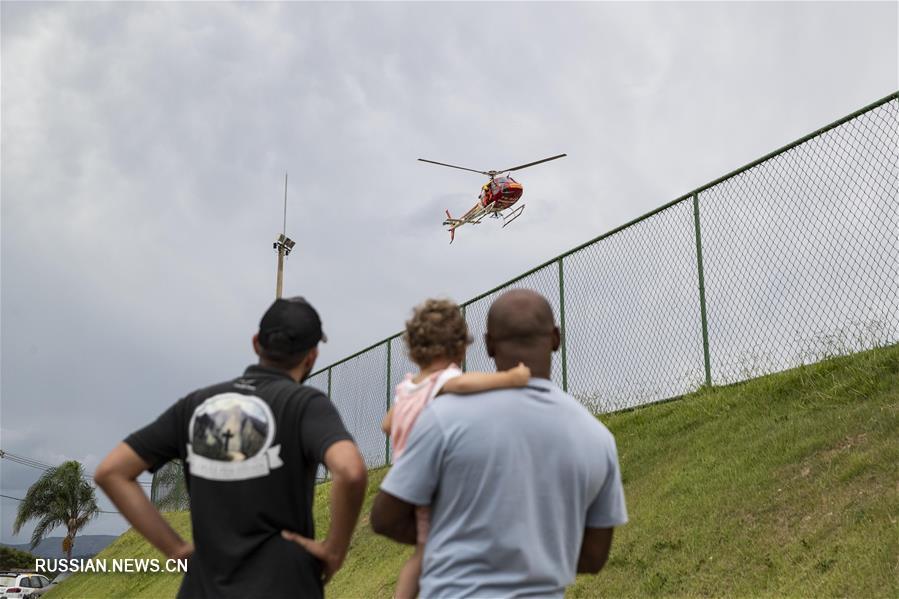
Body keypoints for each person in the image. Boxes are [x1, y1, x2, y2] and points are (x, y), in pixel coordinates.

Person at [95, 296, 367, 598]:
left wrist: (178, 550)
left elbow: (112, 472)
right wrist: (333, 551)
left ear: (256, 344)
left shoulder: (197, 405)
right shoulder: (305, 405)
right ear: (312, 356)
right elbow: (350, 471)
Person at [371, 289, 628, 598]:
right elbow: (593, 557)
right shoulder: (598, 438)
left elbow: (385, 518)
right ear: (556, 339)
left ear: (489, 345)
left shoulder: (443, 416)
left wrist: (458, 542)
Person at [380, 298, 530, 599]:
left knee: (421, 553)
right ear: (458, 347)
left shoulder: (407, 387)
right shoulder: (445, 379)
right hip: (436, 482)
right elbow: (463, 385)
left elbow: (387, 424)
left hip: (407, 478)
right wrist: (511, 378)